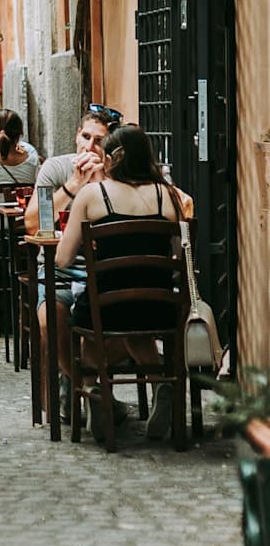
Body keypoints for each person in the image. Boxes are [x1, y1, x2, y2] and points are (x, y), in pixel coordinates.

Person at [56, 123, 184, 442]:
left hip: (107, 307)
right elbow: (180, 252)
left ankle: (96, 393)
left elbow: (62, 259)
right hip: (159, 306)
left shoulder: (92, 195)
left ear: (114, 158)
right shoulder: (167, 195)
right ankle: (161, 384)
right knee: (136, 331)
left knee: (90, 335)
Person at [24, 104, 121, 426]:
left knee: (122, 324)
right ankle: (82, 385)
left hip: (108, 274)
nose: (89, 147)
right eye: (85, 137)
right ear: (76, 136)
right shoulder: (55, 168)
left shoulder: (120, 175)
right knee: (52, 318)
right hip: (59, 272)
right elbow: (32, 222)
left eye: (99, 141)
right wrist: (73, 187)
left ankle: (86, 387)